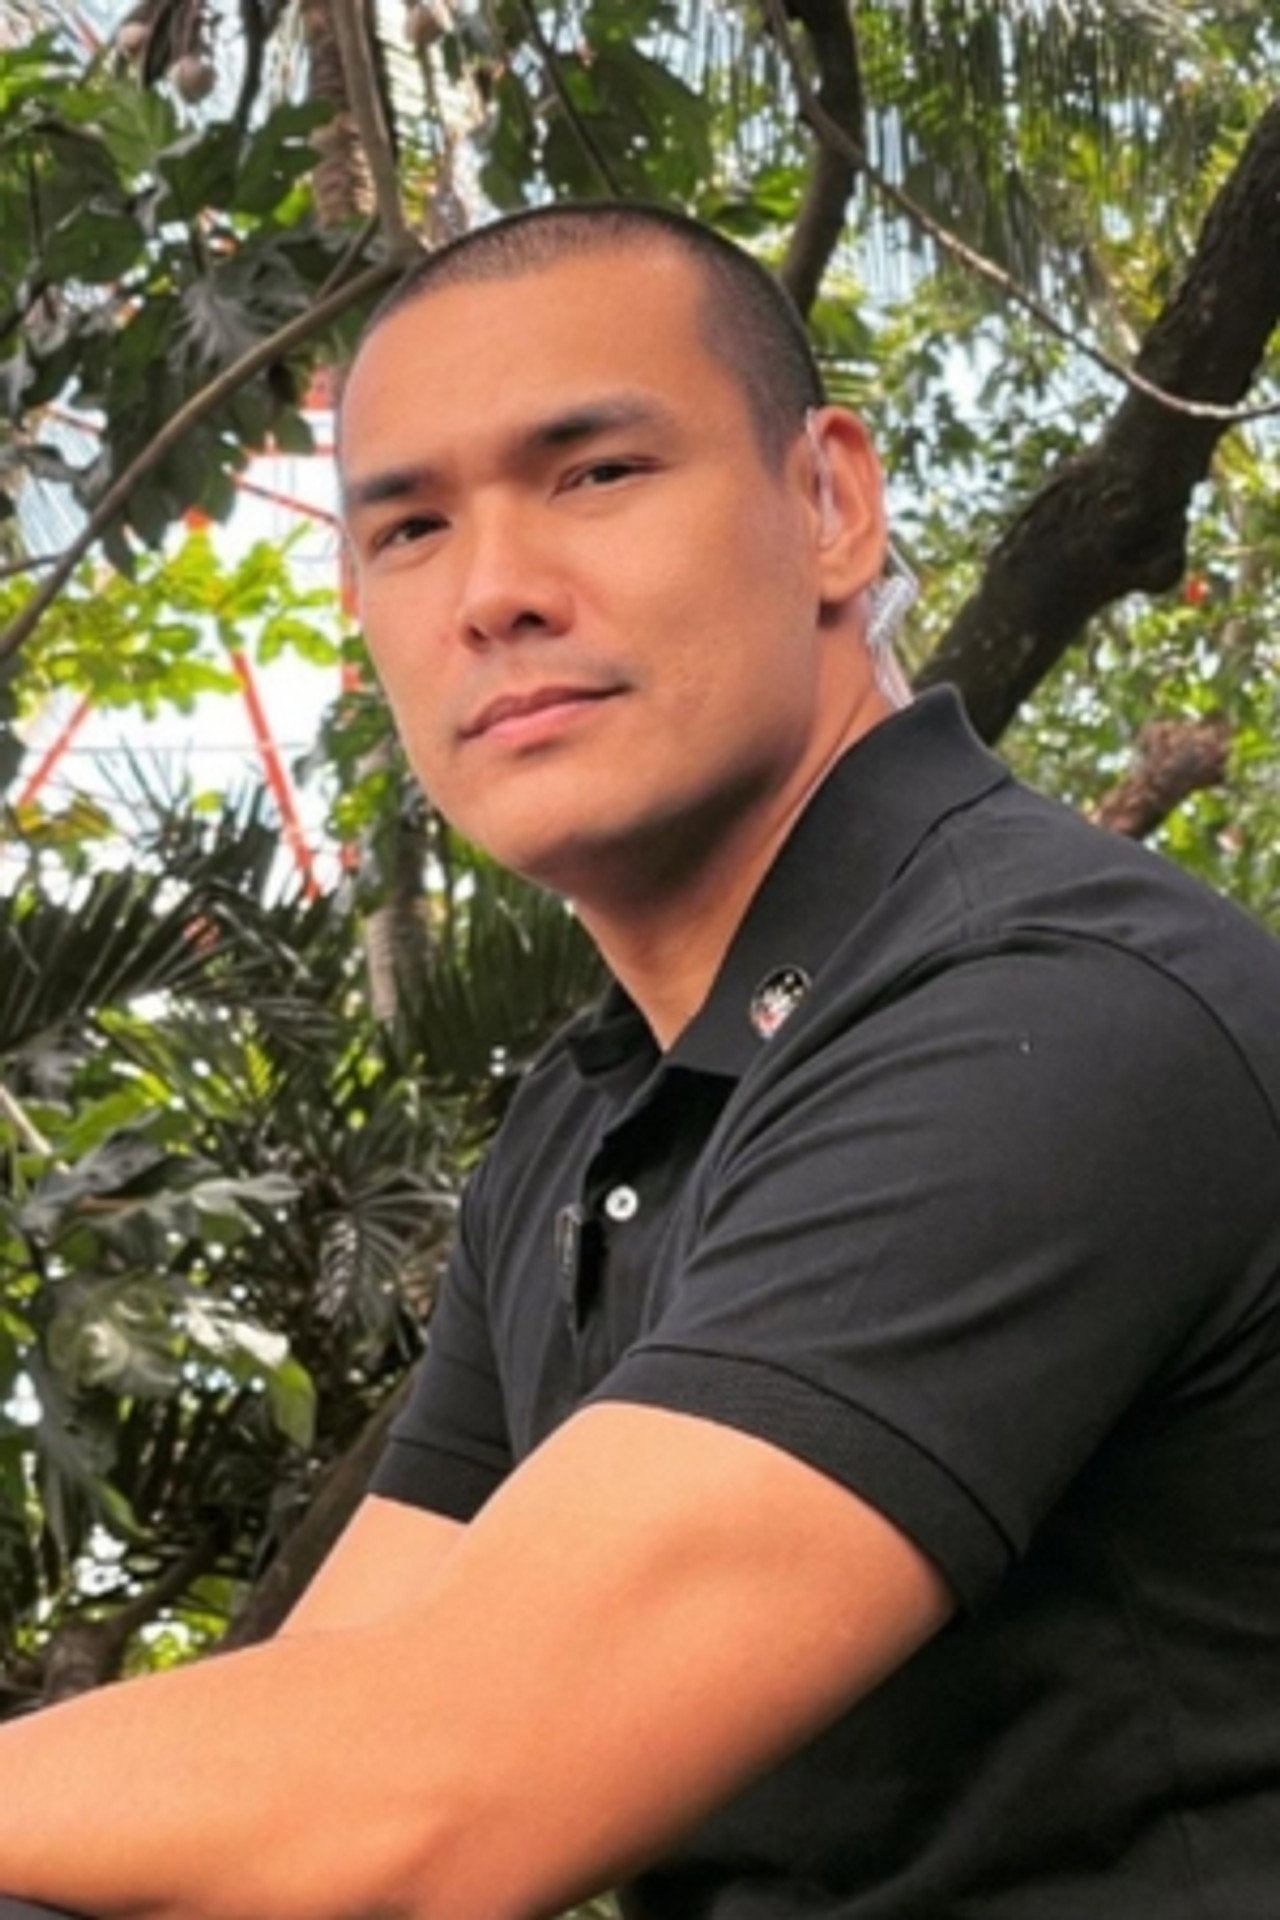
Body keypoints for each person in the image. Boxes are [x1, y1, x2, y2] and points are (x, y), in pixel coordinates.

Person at [1, 201, 1279, 1920]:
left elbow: (437, 1793)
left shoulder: (1047, 1010)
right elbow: (330, 1717)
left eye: (596, 473)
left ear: (830, 503)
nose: (495, 595)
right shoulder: (589, 1121)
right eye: (411, 529)